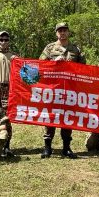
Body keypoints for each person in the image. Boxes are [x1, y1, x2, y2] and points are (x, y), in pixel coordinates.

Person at [39, 22, 86, 159]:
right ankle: (47, 147)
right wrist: (53, 63)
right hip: (53, 89)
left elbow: (85, 69)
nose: (62, 33)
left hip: (70, 89)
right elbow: (40, 65)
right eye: (60, 31)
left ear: (68, 32)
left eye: (65, 30)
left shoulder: (76, 49)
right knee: (50, 117)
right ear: (56, 33)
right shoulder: (49, 48)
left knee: (67, 117)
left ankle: (66, 148)